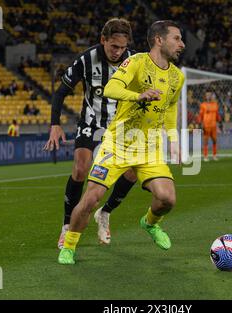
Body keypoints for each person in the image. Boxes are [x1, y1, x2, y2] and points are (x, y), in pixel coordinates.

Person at [58, 20, 185, 265]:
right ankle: (69, 245)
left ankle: (149, 223)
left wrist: (173, 140)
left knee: (167, 199)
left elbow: (170, 109)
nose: (182, 43)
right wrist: (138, 96)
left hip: (149, 148)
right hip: (118, 144)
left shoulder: (176, 77)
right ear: (159, 40)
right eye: (176, 38)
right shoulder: (136, 62)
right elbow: (111, 88)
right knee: (91, 199)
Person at [44, 18, 138, 248]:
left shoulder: (134, 61)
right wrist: (55, 124)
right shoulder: (86, 59)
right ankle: (67, 226)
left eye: (122, 47)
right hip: (91, 121)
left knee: (133, 171)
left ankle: (104, 213)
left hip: (120, 125)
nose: (118, 52)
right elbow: (60, 93)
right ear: (102, 40)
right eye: (113, 46)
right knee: (80, 168)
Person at [198, 91, 222, 161]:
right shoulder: (203, 105)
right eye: (207, 95)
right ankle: (205, 156)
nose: (208, 96)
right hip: (206, 125)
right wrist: (200, 124)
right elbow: (200, 116)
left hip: (214, 125)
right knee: (205, 141)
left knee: (214, 140)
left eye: (209, 95)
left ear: (211, 96)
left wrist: (220, 122)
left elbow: (217, 115)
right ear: (205, 96)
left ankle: (214, 155)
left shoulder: (215, 104)